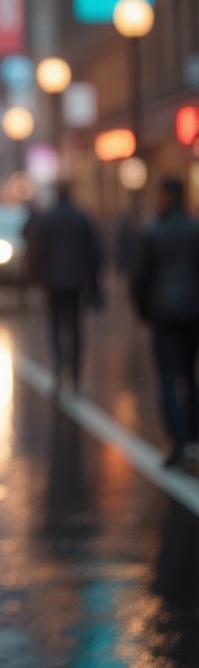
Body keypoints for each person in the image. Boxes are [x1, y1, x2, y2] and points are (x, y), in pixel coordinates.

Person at [130, 175, 199, 469]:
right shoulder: (194, 230)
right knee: (190, 375)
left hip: (164, 313)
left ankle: (178, 443)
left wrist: (144, 311)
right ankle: (193, 437)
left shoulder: (152, 231)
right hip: (192, 312)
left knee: (169, 378)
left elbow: (139, 279)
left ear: (166, 195)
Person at [33, 180, 103, 392]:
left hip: (53, 282)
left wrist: (38, 278)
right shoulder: (81, 217)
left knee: (55, 327)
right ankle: (75, 373)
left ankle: (58, 369)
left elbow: (36, 252)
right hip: (75, 281)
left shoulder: (47, 218)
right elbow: (94, 251)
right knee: (75, 327)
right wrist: (92, 281)